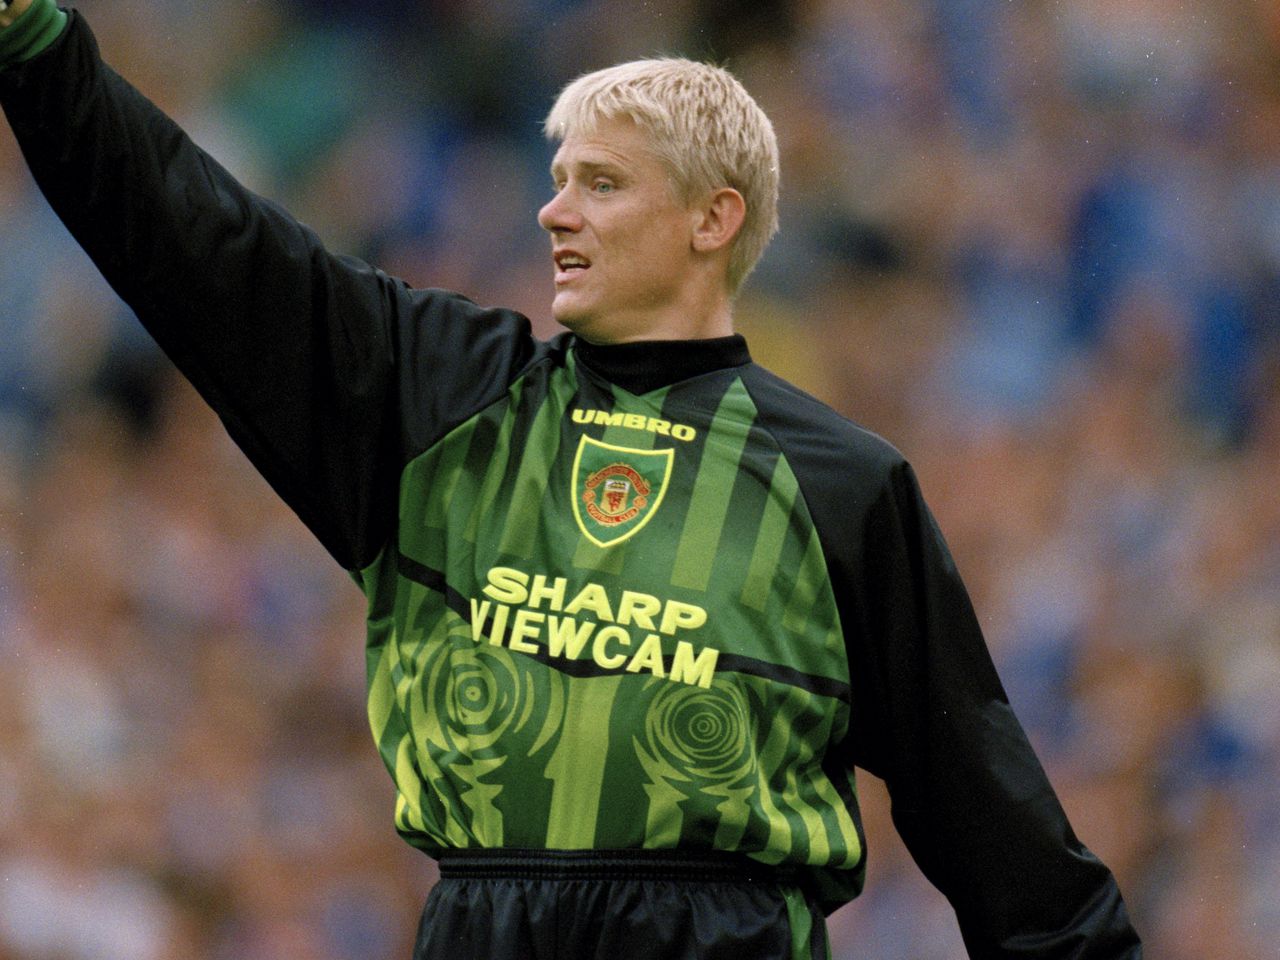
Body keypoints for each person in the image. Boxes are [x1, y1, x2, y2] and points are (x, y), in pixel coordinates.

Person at [0, 1, 1144, 957]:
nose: (553, 211)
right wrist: (39, 47)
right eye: (556, 180)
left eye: (600, 183)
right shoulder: (438, 400)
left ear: (712, 218)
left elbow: (993, 828)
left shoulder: (843, 487)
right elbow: (202, 243)